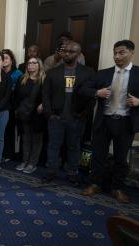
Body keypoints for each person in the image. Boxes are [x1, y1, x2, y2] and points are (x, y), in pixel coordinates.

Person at [81, 40, 139, 203]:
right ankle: (95, 184)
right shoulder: (103, 73)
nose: (117, 56)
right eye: (115, 53)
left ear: (131, 52)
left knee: (121, 158)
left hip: (125, 122)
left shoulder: (137, 73)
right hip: (104, 121)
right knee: (99, 155)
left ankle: (117, 188)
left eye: (121, 52)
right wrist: (96, 92)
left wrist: (138, 102)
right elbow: (83, 89)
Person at [41, 42, 95, 185]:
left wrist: (84, 114)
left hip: (77, 118)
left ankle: (72, 173)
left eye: (71, 52)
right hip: (56, 118)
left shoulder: (88, 72)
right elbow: (45, 95)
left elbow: (91, 97)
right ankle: (51, 171)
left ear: (78, 54)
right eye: (65, 51)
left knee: (74, 146)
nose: (67, 54)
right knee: (53, 146)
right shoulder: (53, 72)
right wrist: (49, 113)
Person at [14, 58, 46, 173]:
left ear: (39, 65)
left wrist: (43, 104)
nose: (31, 65)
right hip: (25, 113)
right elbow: (17, 95)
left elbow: (49, 96)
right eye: (29, 63)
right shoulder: (22, 79)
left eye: (34, 63)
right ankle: (25, 161)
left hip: (38, 114)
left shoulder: (44, 79)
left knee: (36, 140)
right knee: (26, 138)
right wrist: (18, 110)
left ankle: (33, 163)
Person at [2, 49, 23, 162]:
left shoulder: (18, 73)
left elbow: (19, 91)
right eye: (2, 58)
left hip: (12, 105)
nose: (4, 60)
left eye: (6, 58)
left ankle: (9, 154)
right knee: (1, 131)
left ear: (11, 60)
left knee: (9, 130)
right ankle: (1, 153)